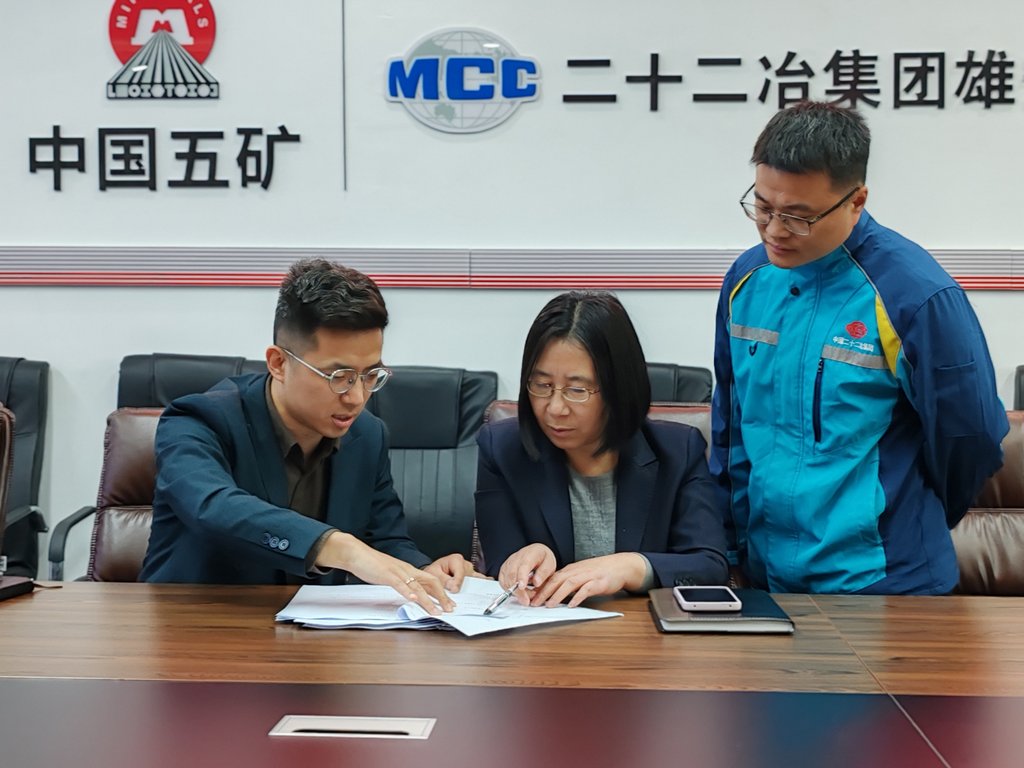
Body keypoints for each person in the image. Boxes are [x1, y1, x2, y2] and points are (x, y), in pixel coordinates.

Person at [711, 101, 1008, 595]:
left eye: (799, 217)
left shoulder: (915, 295)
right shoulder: (747, 281)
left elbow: (970, 438)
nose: (775, 230)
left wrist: (907, 518)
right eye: (762, 207)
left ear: (856, 200)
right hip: (766, 578)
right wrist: (729, 550)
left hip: (886, 584)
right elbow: (730, 432)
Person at [141, 259, 474, 614]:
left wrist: (423, 569)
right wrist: (339, 547)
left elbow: (384, 540)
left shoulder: (366, 434)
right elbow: (212, 507)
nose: (357, 397)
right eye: (339, 377)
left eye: (370, 375)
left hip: (312, 635)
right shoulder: (197, 421)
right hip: (198, 627)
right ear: (278, 364)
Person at [475, 291, 728, 608]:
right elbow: (499, 563)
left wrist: (631, 566)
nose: (555, 408)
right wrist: (522, 561)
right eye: (542, 385)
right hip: (544, 634)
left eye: (577, 389)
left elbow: (710, 566)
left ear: (618, 387)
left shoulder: (678, 452)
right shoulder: (502, 449)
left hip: (645, 634)